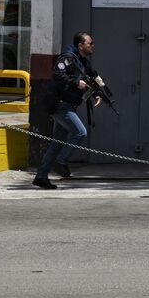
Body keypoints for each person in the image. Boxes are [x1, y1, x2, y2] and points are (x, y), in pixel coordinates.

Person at [33, 31, 102, 190]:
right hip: (60, 104)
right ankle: (61, 161)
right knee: (80, 132)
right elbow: (57, 74)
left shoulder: (83, 62)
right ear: (81, 45)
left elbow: (93, 77)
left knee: (56, 144)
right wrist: (76, 82)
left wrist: (98, 93)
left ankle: (41, 176)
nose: (92, 46)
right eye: (89, 43)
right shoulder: (67, 58)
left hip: (68, 105)